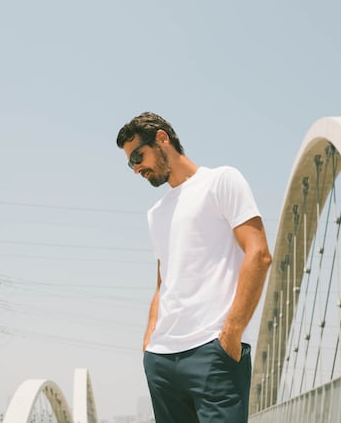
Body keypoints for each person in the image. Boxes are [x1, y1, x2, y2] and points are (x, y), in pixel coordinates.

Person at [116, 112, 272, 423]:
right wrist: (149, 344)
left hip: (212, 353)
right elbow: (163, 283)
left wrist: (230, 335)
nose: (136, 169)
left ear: (162, 139)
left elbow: (259, 254)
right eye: (130, 163)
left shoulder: (221, 181)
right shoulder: (156, 213)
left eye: (138, 156)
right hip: (162, 359)